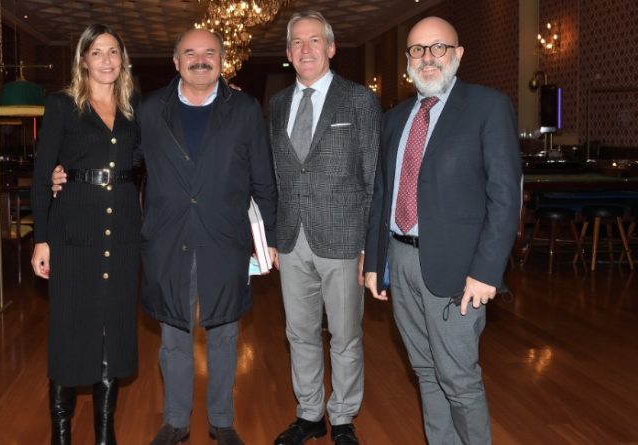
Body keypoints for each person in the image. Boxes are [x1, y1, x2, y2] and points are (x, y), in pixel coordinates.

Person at [50, 28, 277, 445]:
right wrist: (66, 171)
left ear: (222, 60)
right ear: (176, 62)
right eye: (190, 52)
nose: (200, 60)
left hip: (225, 239)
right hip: (168, 239)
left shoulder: (244, 109)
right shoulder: (150, 109)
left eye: (209, 52)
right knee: (174, 334)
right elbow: (120, 154)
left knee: (225, 333)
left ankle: (222, 422)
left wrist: (270, 240)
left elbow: (263, 178)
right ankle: (175, 422)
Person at [363, 16, 521, 445]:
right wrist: (375, 262)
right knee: (425, 371)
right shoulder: (394, 118)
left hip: (459, 268)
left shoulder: (488, 107)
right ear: (407, 60)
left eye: (439, 47)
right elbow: (382, 192)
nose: (428, 58)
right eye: (417, 50)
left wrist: (487, 271)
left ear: (458, 54)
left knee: (458, 378)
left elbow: (505, 196)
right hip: (400, 260)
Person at [270, 11, 381, 445]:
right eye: (297, 42)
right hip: (291, 238)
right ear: (288, 52)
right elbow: (278, 176)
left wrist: (370, 246)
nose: (305, 49)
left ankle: (343, 417)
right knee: (299, 333)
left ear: (331, 48)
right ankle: (310, 414)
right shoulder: (278, 104)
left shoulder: (359, 100)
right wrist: (273, 239)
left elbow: (372, 177)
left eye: (314, 40)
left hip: (344, 239)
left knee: (345, 336)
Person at [30, 24, 141, 445]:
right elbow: (43, 175)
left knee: (112, 331)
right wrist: (42, 238)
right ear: (83, 61)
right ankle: (61, 433)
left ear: (123, 59)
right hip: (73, 231)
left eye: (113, 51)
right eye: (97, 52)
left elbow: (150, 152)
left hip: (122, 233)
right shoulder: (62, 105)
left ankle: (104, 435)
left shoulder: (134, 108)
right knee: (69, 330)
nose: (107, 60)